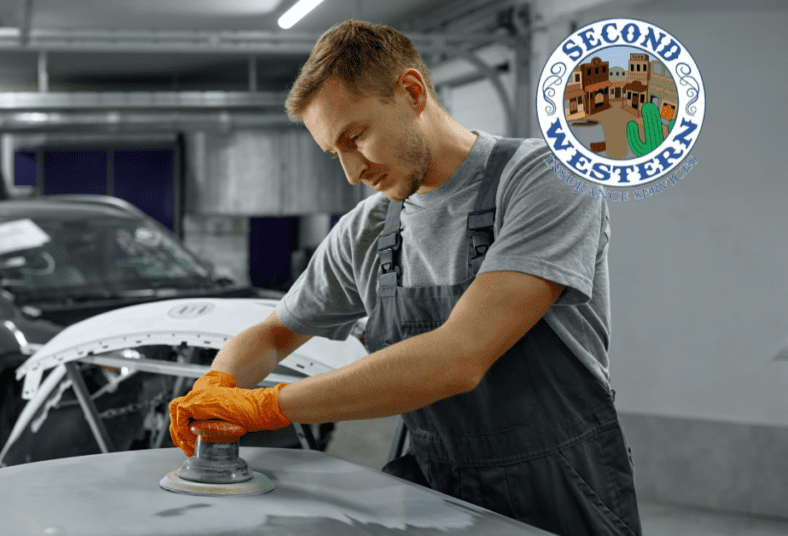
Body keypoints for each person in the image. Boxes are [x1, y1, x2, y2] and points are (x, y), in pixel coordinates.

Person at [170, 19, 641, 536]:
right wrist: (217, 385)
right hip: (437, 495)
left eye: (357, 137)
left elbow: (458, 358)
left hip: (561, 493)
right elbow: (272, 333)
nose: (351, 172)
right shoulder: (367, 230)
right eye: (335, 154)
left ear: (412, 92)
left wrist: (267, 406)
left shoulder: (547, 178)